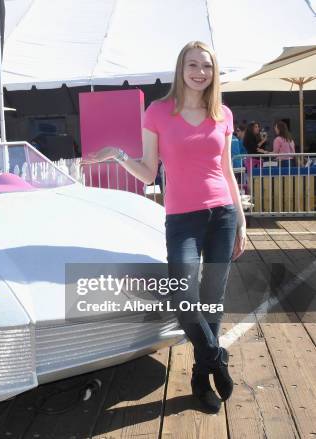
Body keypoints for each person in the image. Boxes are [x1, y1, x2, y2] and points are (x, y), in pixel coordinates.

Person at [83, 41, 245, 413]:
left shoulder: (223, 114)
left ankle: (200, 379)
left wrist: (241, 219)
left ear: (213, 71)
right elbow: (148, 170)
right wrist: (117, 155)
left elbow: (226, 171)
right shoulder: (157, 112)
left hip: (221, 214)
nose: (200, 71)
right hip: (182, 220)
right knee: (184, 296)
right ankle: (216, 358)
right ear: (181, 68)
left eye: (206, 65)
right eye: (193, 64)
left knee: (213, 298)